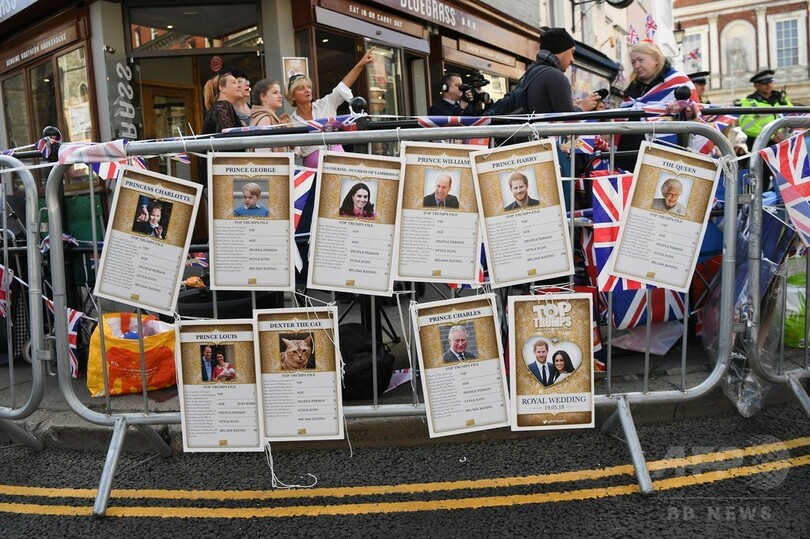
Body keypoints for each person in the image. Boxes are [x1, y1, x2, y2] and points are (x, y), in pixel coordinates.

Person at [616, 39, 697, 170]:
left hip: (666, 156)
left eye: (640, 60)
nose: (636, 66)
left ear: (656, 59)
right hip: (630, 155)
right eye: (633, 62)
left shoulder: (678, 81)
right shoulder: (632, 88)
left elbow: (695, 113)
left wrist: (685, 109)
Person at [288, 51, 374, 167]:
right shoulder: (291, 121)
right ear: (292, 96)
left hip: (338, 161)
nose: (307, 90)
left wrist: (361, 64)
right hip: (313, 168)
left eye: (308, 87)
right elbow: (296, 153)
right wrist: (288, 131)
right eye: (301, 88)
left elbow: (343, 86)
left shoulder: (326, 103)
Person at [523, 27, 600, 115]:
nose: (572, 60)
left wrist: (573, 107)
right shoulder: (555, 76)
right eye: (571, 52)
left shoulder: (531, 72)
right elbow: (566, 119)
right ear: (561, 49)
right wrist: (582, 108)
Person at [739, 68, 792, 153]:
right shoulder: (748, 101)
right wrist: (771, 135)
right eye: (764, 83)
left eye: (770, 82)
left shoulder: (782, 99)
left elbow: (792, 117)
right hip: (761, 145)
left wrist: (785, 133)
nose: (768, 85)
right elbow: (746, 126)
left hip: (784, 142)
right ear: (755, 85)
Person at [249, 79, 291, 152]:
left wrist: (287, 130)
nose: (280, 96)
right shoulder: (265, 118)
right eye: (275, 92)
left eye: (280, 92)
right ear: (263, 97)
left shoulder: (265, 117)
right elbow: (263, 152)